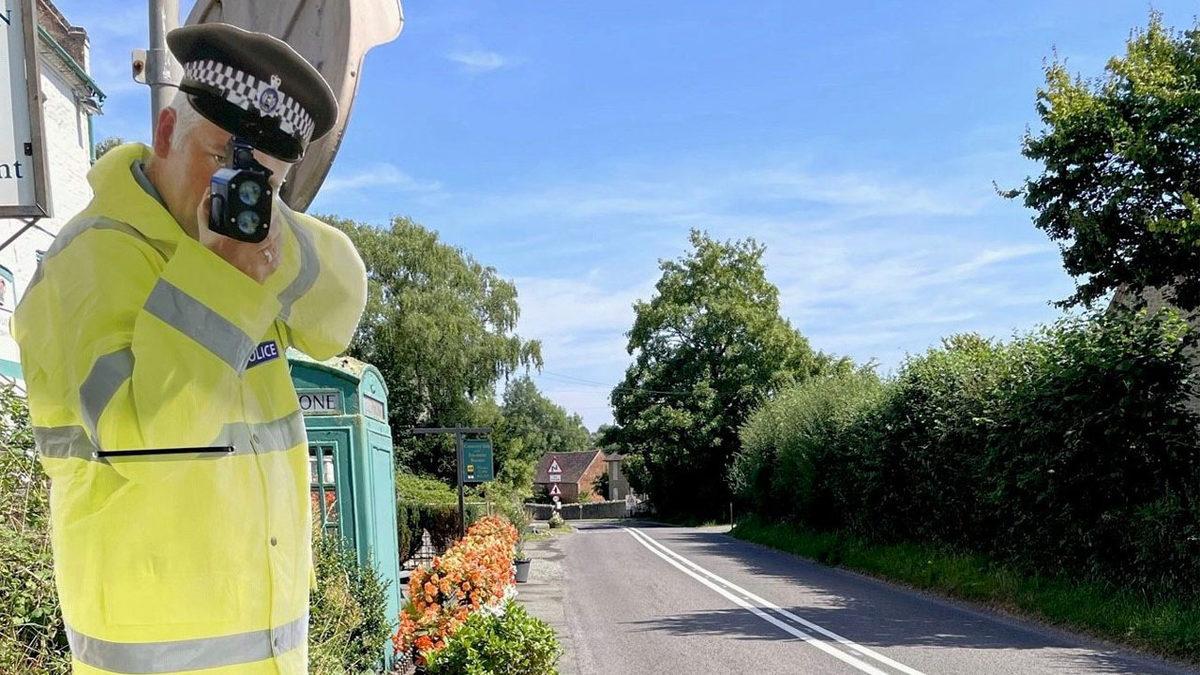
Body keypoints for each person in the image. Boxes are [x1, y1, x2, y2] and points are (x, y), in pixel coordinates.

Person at [13, 23, 366, 674]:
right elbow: (147, 443)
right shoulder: (88, 264)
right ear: (168, 135)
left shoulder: (245, 251)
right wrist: (223, 282)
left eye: (265, 179)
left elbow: (342, 306)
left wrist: (261, 227)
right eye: (221, 159)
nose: (231, 192)